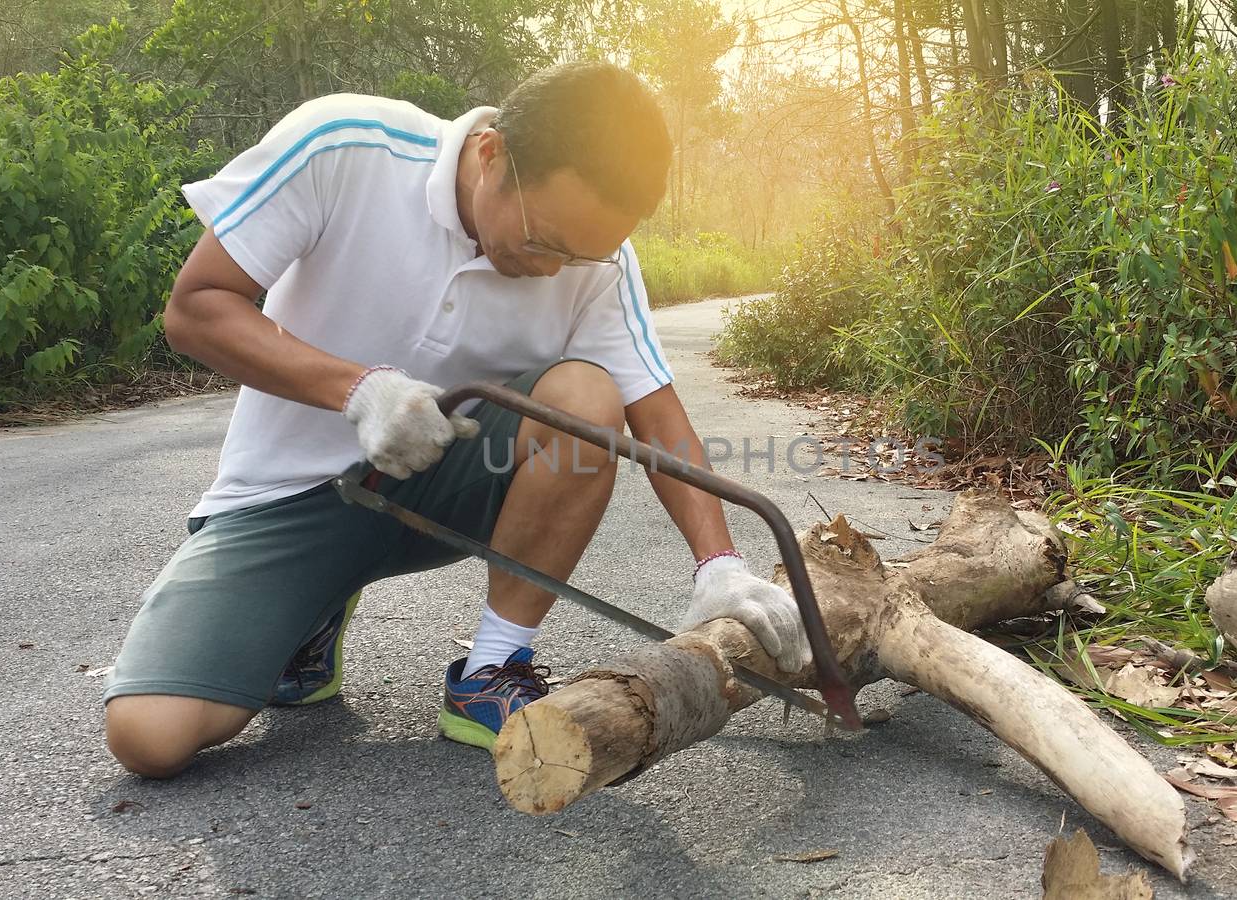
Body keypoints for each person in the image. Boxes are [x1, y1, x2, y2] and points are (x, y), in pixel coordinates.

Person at [100, 61, 813, 778]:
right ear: (491, 153)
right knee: (149, 736)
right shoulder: (345, 147)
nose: (555, 267)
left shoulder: (597, 263)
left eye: (581, 255)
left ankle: (491, 670)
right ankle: (311, 614)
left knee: (588, 400)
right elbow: (196, 308)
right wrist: (359, 390)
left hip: (447, 489)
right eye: (545, 240)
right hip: (287, 498)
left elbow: (653, 408)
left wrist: (719, 566)